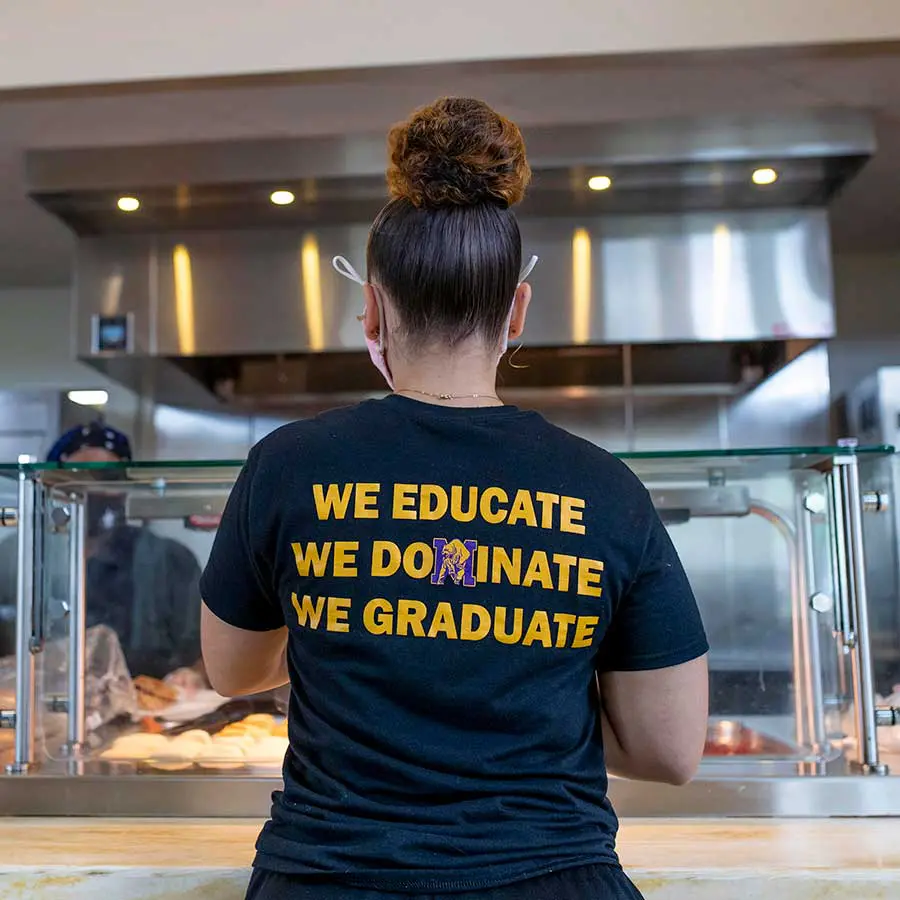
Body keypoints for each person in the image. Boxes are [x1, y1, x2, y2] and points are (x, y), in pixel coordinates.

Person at [200, 98, 709, 900]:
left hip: (330, 878)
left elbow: (233, 671)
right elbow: (671, 751)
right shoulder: (606, 488)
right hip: (553, 877)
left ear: (371, 309)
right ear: (516, 314)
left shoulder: (287, 466)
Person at [0, 421, 203, 683]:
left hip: (151, 715)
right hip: (39, 711)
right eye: (76, 478)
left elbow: (201, 653)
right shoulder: (15, 555)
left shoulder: (169, 560)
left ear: (125, 489)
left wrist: (192, 678)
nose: (90, 492)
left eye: (106, 479)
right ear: (51, 489)